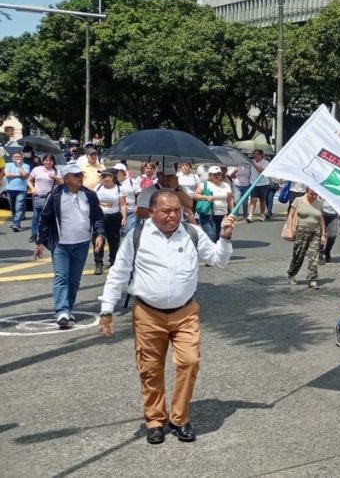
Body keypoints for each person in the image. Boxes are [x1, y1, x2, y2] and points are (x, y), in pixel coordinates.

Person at [97, 189, 234, 445]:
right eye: (166, 211)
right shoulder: (137, 236)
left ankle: (179, 418)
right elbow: (118, 273)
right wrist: (107, 310)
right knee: (150, 369)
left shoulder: (192, 232)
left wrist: (225, 237)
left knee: (190, 362)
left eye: (177, 210)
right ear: (152, 212)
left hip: (185, 312)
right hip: (148, 314)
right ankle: (155, 420)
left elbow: (218, 260)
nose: (173, 215)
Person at [34, 164, 105, 328]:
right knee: (61, 277)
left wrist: (100, 234)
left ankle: (68, 309)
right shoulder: (56, 195)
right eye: (75, 175)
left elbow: (98, 216)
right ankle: (62, 311)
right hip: (61, 244)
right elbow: (45, 219)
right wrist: (40, 242)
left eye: (80, 174)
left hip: (82, 243)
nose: (80, 177)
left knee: (74, 280)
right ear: (66, 179)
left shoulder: (90, 195)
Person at [286, 188, 326, 289]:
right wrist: (289, 229)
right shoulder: (298, 201)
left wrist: (323, 234)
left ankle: (312, 279)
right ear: (306, 192)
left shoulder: (319, 203)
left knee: (314, 256)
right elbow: (290, 216)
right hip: (301, 230)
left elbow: (321, 219)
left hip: (315, 231)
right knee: (298, 255)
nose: (314, 197)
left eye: (316, 195)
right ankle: (292, 273)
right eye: (311, 194)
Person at [92, 169, 127, 274]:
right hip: (99, 217)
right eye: (102, 175)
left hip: (113, 217)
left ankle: (113, 262)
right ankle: (98, 264)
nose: (102, 177)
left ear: (112, 178)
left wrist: (124, 217)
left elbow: (123, 204)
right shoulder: (97, 188)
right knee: (97, 240)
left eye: (105, 175)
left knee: (114, 241)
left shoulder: (119, 189)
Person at [192, 166, 234, 243]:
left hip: (222, 215)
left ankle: (217, 253)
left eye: (218, 174)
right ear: (210, 175)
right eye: (214, 174)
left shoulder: (226, 185)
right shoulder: (204, 185)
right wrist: (206, 197)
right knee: (211, 235)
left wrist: (232, 213)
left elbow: (230, 199)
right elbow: (195, 196)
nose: (217, 176)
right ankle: (210, 253)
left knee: (219, 237)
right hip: (208, 215)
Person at [28, 153, 63, 243]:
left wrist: (54, 177)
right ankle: (34, 234)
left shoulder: (56, 171)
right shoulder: (37, 169)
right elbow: (29, 180)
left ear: (53, 162)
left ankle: (44, 235)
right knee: (36, 216)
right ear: (43, 161)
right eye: (46, 160)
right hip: (38, 196)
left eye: (50, 160)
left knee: (46, 217)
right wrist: (32, 188)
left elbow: (61, 184)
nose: (48, 162)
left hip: (50, 198)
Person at [4, 150, 31, 232]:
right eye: (15, 157)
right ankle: (15, 223)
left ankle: (16, 224)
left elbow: (25, 176)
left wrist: (19, 166)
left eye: (19, 157)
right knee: (13, 208)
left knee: (19, 207)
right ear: (12, 158)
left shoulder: (26, 166)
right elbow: (7, 174)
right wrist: (19, 175)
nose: (17, 159)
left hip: (21, 189)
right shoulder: (8, 165)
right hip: (10, 189)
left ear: (22, 158)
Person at [114, 163, 140, 236]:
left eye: (117, 171)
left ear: (123, 172)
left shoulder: (132, 182)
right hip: (117, 213)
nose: (116, 173)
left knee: (128, 232)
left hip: (131, 212)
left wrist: (138, 207)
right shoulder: (113, 183)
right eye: (114, 171)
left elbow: (139, 195)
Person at [249, 149, 271, 222]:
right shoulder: (252, 162)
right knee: (253, 199)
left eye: (257, 154)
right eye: (254, 154)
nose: (255, 155)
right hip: (253, 183)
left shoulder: (265, 162)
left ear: (261, 155)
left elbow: (261, 170)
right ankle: (250, 215)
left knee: (262, 200)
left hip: (263, 184)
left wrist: (254, 164)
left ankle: (262, 214)